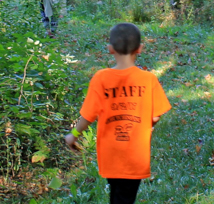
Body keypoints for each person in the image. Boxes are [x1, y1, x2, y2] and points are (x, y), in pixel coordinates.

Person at [64, 23, 172, 204]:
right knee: (125, 197)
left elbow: (88, 116)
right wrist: (148, 125)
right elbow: (156, 115)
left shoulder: (101, 78)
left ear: (110, 49)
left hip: (110, 155)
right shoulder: (149, 79)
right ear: (140, 49)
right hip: (135, 155)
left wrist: (73, 135)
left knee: (117, 194)